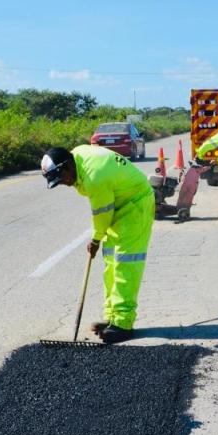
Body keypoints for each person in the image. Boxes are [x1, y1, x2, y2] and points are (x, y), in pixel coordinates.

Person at [41, 145, 155, 343]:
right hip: (119, 204)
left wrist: (95, 239)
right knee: (110, 263)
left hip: (135, 205)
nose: (64, 184)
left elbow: (102, 213)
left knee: (125, 266)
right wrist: (98, 238)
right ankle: (112, 317)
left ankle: (123, 323)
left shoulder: (95, 177)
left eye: (63, 178)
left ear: (67, 166)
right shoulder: (77, 158)